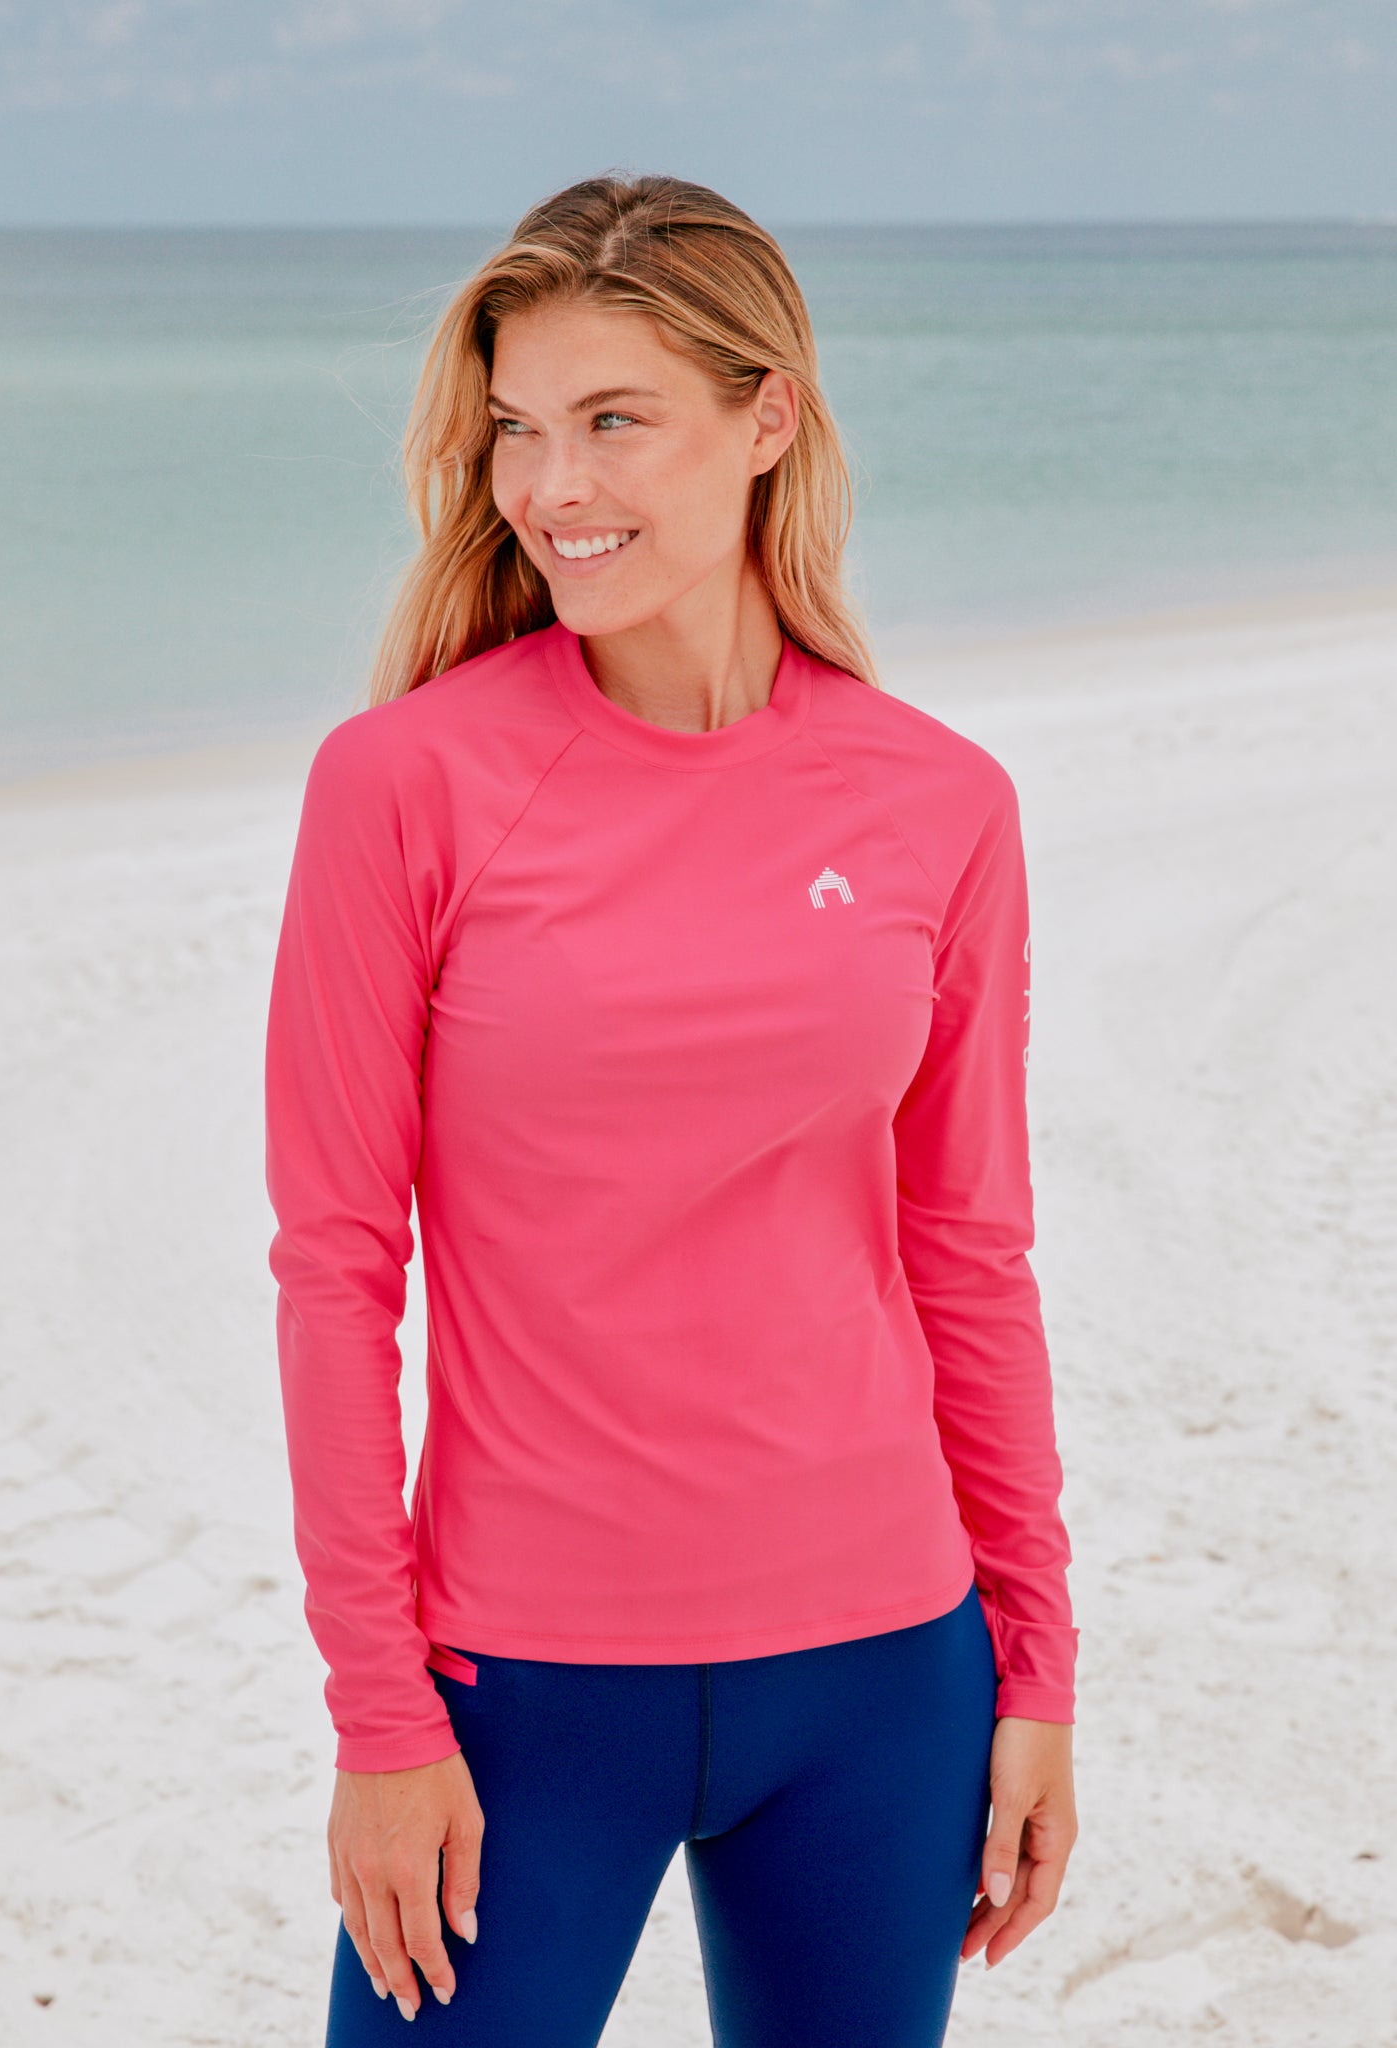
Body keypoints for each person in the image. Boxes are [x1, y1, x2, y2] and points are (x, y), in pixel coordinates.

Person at [263, 171, 1079, 2048]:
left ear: (768, 416)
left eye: (613, 420)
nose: (553, 486)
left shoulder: (937, 802)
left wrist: (1034, 1666)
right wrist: (381, 1716)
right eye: (518, 432)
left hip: (886, 1674)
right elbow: (331, 1268)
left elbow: (971, 1257)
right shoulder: (406, 786)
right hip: (525, 1690)